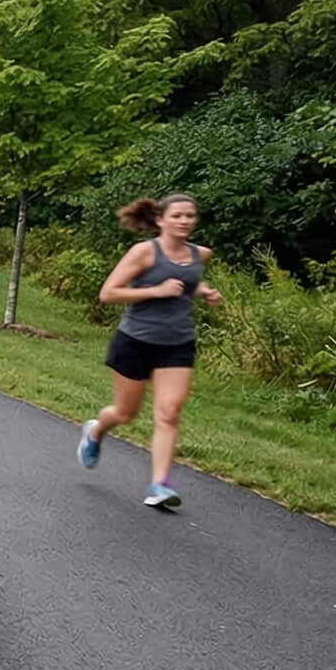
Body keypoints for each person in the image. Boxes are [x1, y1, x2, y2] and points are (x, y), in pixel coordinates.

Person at [77, 193, 221, 510]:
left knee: (168, 413)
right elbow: (108, 293)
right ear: (160, 220)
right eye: (178, 215)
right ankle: (96, 430)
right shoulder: (143, 252)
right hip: (135, 341)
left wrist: (204, 291)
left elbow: (188, 281)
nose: (185, 221)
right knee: (125, 413)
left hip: (178, 343)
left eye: (190, 216)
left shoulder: (200, 254)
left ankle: (160, 485)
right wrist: (157, 291)